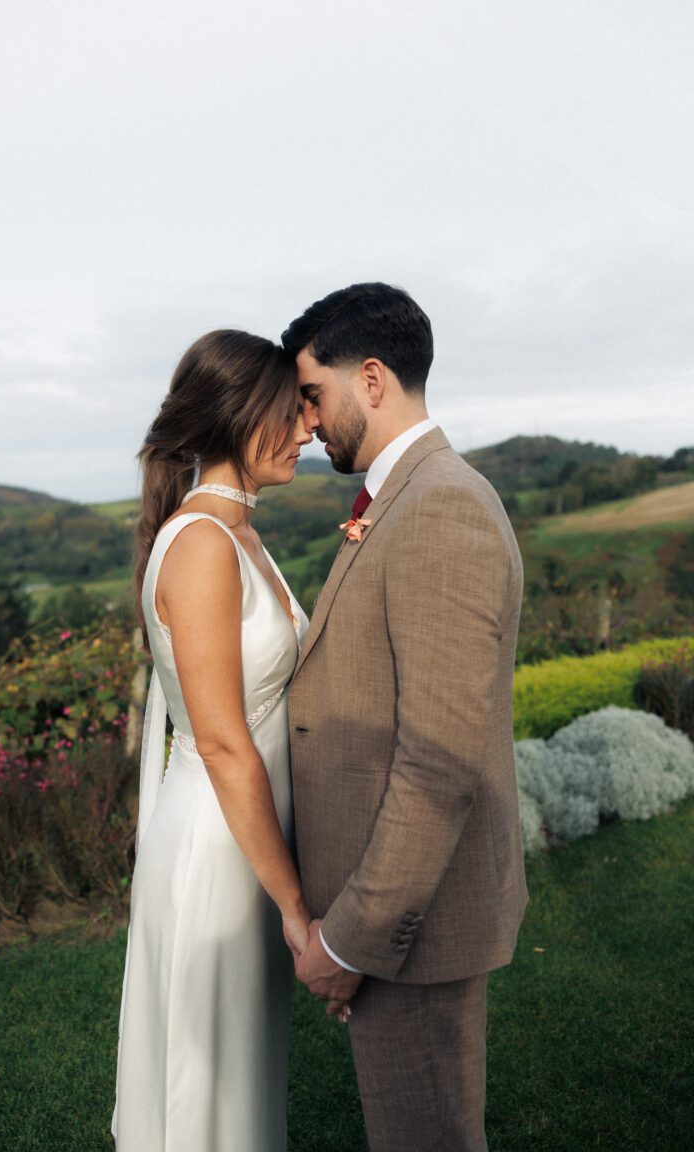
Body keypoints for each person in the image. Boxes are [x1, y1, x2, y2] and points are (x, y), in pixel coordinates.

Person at [282, 283, 528, 1152]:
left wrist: (349, 942)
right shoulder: (405, 498)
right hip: (399, 920)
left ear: (373, 378)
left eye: (312, 394)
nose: (305, 423)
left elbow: (439, 761)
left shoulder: (440, 508)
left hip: (409, 927)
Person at [112, 329, 314, 1152]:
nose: (307, 430)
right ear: (239, 415)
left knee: (244, 1082)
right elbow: (226, 744)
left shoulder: (239, 534)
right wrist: (297, 905)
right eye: (290, 412)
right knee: (211, 1095)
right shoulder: (200, 543)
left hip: (250, 850)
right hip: (217, 849)